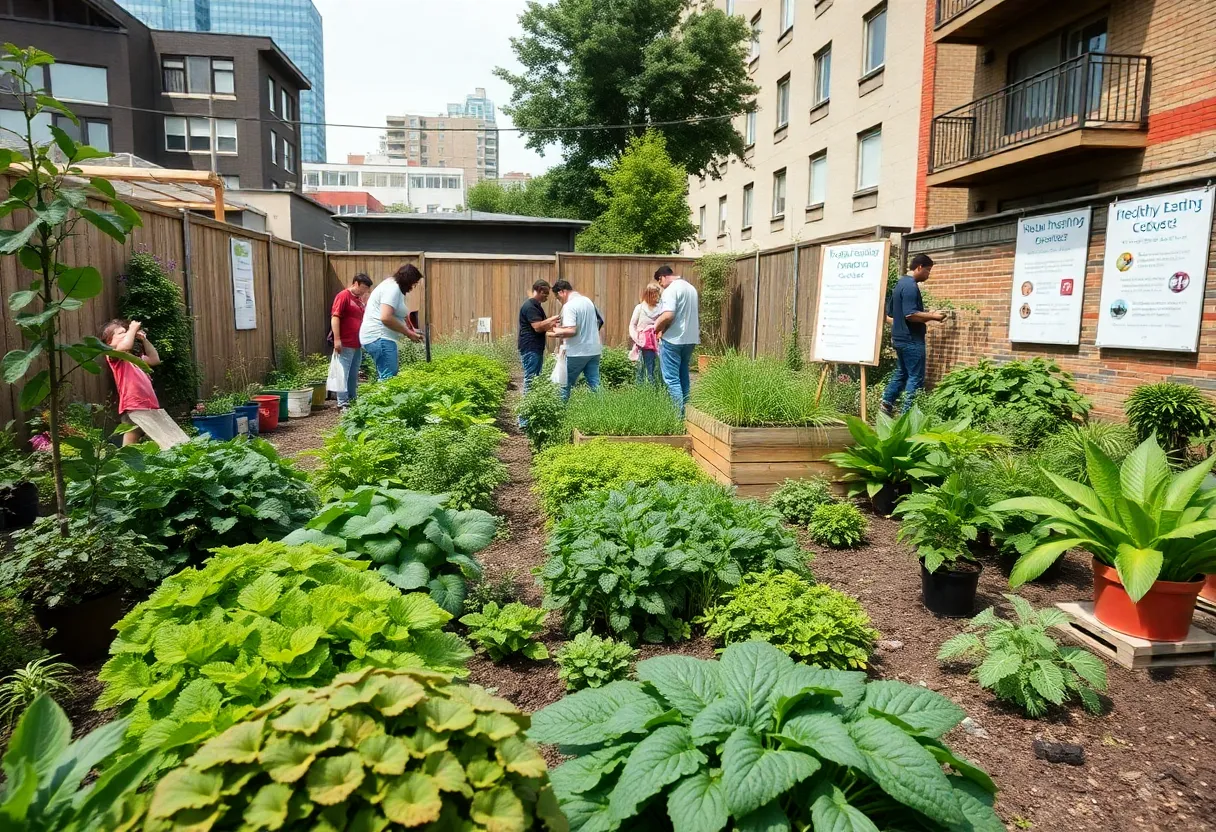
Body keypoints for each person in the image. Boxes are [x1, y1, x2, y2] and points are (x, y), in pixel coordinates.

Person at [881, 253, 946, 416]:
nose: (928, 275)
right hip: (911, 340)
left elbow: (891, 317)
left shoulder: (900, 284)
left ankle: (886, 405)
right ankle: (907, 415)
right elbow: (910, 315)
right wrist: (933, 316)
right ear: (919, 267)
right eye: (928, 270)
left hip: (899, 339)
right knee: (915, 377)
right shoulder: (911, 286)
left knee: (902, 372)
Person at [101, 318, 162, 446]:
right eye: (120, 333)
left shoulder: (135, 359)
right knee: (129, 447)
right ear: (109, 342)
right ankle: (123, 465)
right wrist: (132, 329)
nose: (126, 334)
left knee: (162, 443)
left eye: (126, 332)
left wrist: (144, 340)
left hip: (149, 406)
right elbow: (125, 347)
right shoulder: (113, 355)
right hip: (133, 406)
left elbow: (154, 359)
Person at [359, 264, 424, 380]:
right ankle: (382, 399)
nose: (414, 286)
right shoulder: (393, 288)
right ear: (408, 280)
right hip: (380, 337)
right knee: (388, 378)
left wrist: (409, 328)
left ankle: (380, 397)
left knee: (388, 375)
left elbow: (396, 313)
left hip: (380, 338)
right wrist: (408, 333)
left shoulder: (392, 286)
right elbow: (386, 317)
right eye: (414, 282)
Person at [653, 265, 700, 416]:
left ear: (662, 277)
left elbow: (668, 315)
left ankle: (677, 417)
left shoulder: (671, 290)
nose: (661, 286)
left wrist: (656, 327)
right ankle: (687, 414)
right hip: (690, 339)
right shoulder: (691, 288)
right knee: (683, 375)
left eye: (660, 282)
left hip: (673, 340)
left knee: (672, 380)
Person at [550, 278, 602, 400]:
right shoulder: (588, 301)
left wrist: (555, 331)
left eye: (558, 298)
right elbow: (599, 322)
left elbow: (572, 331)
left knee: (563, 384)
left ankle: (560, 416)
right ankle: (605, 411)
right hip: (594, 350)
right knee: (595, 385)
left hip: (576, 352)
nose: (559, 301)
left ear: (562, 292)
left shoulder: (569, 306)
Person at [330, 273, 373, 409]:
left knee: (353, 374)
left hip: (357, 344)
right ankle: (342, 403)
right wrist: (337, 339)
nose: (365, 291)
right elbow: (335, 317)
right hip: (345, 343)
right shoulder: (343, 296)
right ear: (355, 284)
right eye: (364, 288)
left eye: (367, 289)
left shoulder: (358, 299)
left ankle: (353, 400)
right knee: (343, 373)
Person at [517, 279, 560, 392]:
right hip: (530, 348)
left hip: (535, 348)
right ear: (539, 290)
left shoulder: (537, 306)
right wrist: (553, 319)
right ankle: (527, 408)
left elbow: (544, 328)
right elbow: (537, 327)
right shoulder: (530, 306)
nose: (547, 296)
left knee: (535, 377)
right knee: (531, 378)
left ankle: (532, 404)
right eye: (545, 293)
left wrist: (558, 332)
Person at [629, 282, 662, 384]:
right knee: (641, 367)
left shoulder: (660, 308)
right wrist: (637, 339)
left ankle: (654, 387)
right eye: (654, 294)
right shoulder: (640, 308)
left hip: (656, 342)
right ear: (648, 294)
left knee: (654, 366)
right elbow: (632, 325)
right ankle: (641, 388)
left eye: (657, 294)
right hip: (642, 342)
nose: (656, 296)